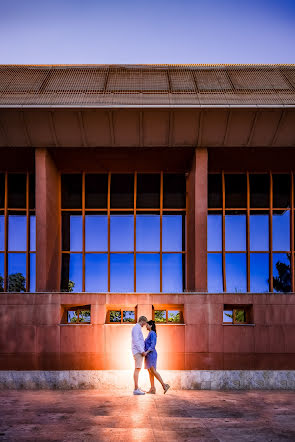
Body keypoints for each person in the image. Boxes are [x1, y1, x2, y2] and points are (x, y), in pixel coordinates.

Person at [143, 320, 170, 394]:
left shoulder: (152, 333)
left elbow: (153, 345)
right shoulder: (150, 333)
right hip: (148, 355)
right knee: (150, 372)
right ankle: (152, 389)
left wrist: (147, 352)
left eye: (147, 325)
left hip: (151, 354)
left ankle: (164, 385)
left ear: (151, 325)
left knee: (153, 371)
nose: (146, 326)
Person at [131, 315, 147, 395]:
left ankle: (137, 387)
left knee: (138, 369)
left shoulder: (137, 328)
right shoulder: (136, 328)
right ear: (142, 321)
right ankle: (136, 389)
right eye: (145, 323)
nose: (145, 325)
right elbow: (136, 341)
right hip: (138, 352)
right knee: (137, 369)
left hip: (138, 352)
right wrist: (142, 351)